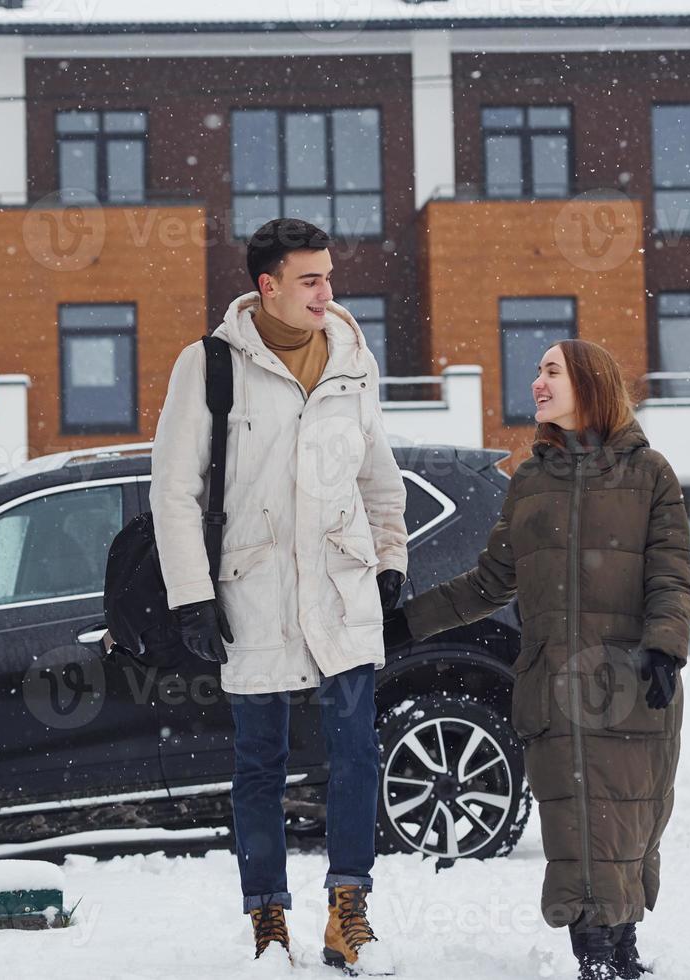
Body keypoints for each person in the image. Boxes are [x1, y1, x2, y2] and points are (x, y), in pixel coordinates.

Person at [385, 339, 690, 980]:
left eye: (550, 370)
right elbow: (489, 582)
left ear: (589, 382)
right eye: (537, 371)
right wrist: (407, 624)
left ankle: (624, 948)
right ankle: (598, 960)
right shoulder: (530, 480)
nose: (537, 382)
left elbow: (672, 574)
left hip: (631, 682)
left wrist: (665, 646)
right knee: (577, 827)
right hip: (555, 685)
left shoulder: (650, 475)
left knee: (630, 822)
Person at [150, 218, 407, 973]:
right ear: (267, 286)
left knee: (356, 753)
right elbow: (173, 490)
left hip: (340, 586)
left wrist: (389, 561)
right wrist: (191, 594)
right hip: (252, 591)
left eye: (328, 276)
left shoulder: (354, 360)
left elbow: (377, 477)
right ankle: (266, 918)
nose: (326, 292)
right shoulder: (209, 367)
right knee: (259, 763)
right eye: (309, 279)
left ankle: (346, 913)